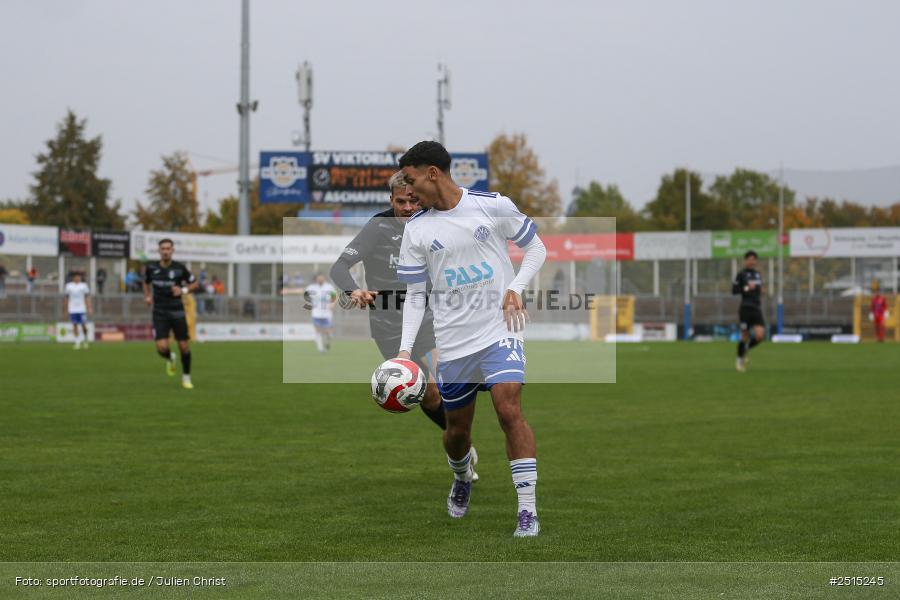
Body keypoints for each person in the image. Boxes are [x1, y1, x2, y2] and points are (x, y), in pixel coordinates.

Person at [395, 141, 547, 537]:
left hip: (500, 330)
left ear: (433, 173)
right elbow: (415, 295)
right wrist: (405, 353)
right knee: (456, 432)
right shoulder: (416, 230)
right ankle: (462, 476)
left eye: (411, 181)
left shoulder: (491, 204)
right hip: (455, 342)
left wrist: (516, 286)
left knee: (508, 410)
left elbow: (535, 247)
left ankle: (527, 510)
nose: (407, 192)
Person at [330, 170, 472, 448]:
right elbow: (339, 267)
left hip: (428, 318)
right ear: (391, 200)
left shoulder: (434, 223)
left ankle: (459, 441)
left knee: (444, 383)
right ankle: (461, 445)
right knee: (428, 396)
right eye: (400, 202)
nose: (407, 208)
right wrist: (353, 290)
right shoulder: (378, 227)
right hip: (388, 327)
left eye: (412, 201)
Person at [143, 238, 199, 389]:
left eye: (168, 249)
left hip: (177, 312)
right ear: (159, 251)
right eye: (163, 249)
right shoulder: (151, 268)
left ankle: (186, 378)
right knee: (161, 347)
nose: (166, 251)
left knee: (184, 346)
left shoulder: (180, 268)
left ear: (172, 250)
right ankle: (170, 357)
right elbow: (146, 282)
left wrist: (183, 290)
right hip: (159, 312)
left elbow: (195, 283)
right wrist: (147, 296)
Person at [732, 250, 765, 371]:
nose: (752, 261)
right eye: (749, 259)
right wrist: (746, 287)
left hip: (756, 308)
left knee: (760, 335)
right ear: (745, 260)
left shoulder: (757, 274)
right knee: (744, 336)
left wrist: (761, 291)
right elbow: (734, 290)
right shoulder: (741, 274)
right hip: (745, 308)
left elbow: (758, 289)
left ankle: (745, 349)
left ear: (756, 261)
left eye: (754, 259)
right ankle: (739, 360)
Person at [304, 273, 336, 352]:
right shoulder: (312, 287)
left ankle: (328, 341)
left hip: (327, 313)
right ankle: (320, 348)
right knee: (317, 330)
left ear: (324, 278)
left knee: (327, 331)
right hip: (316, 313)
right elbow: (304, 294)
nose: (320, 279)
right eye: (319, 278)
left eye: (321, 278)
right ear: (316, 279)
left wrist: (332, 305)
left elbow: (334, 297)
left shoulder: (329, 287)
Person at [64, 271, 92, 349]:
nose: (77, 278)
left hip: (82, 309)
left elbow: (87, 297)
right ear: (73, 278)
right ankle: (77, 342)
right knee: (75, 325)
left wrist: (89, 307)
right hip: (72, 309)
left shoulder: (84, 286)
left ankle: (85, 340)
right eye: (76, 276)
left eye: (79, 276)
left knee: (83, 325)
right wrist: (66, 310)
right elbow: (66, 298)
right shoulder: (68, 286)